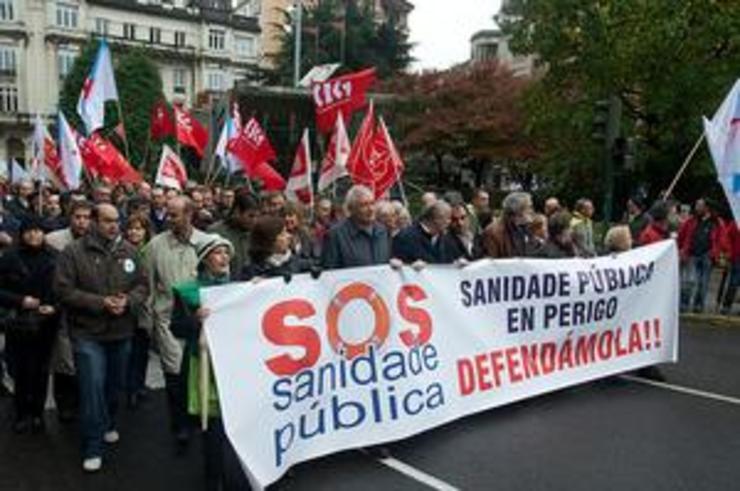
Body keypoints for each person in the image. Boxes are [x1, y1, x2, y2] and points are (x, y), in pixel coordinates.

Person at [54, 204, 148, 472]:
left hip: (121, 331)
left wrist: (128, 301)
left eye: (116, 220)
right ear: (93, 222)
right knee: (92, 387)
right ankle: (93, 444)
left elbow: (143, 285)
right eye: (107, 220)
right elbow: (63, 290)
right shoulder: (73, 252)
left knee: (113, 385)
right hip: (87, 333)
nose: (113, 225)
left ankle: (108, 421)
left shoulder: (129, 251)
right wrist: (100, 302)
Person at [168, 234, 250, 491]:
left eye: (227, 252)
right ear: (205, 259)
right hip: (205, 367)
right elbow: (176, 328)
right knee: (212, 427)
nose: (224, 258)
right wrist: (195, 320)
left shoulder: (239, 288)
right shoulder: (188, 291)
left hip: (237, 366)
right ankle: (213, 477)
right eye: (217, 252)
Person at [143, 196, 210, 453]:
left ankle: (200, 419)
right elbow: (147, 283)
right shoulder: (155, 246)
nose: (168, 219)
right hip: (168, 319)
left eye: (174, 215)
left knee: (198, 370)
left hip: (201, 321)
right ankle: (180, 425)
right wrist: (147, 323)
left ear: (189, 214)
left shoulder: (207, 242)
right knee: (174, 374)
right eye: (167, 214)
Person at [0, 215, 58, 433]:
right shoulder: (10, 257)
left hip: (46, 323)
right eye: (29, 231)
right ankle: (21, 413)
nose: (34, 235)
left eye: (38, 230)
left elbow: (63, 289)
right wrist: (20, 301)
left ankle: (37, 413)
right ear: (22, 233)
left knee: (41, 370)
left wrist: (54, 307)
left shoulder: (54, 257)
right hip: (19, 323)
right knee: (21, 370)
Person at [46, 200, 94, 422]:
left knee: (86, 356)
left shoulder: (96, 241)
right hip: (61, 306)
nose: (82, 222)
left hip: (88, 307)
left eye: (86, 217)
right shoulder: (54, 240)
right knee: (64, 359)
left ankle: (85, 401)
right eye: (78, 217)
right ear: (70, 217)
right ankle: (64, 404)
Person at [123, 213, 153, 409]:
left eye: (139, 228)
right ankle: (129, 388)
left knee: (142, 350)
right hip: (126, 308)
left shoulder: (151, 251)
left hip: (146, 308)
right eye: (131, 228)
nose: (134, 232)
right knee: (127, 351)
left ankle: (139, 384)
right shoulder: (121, 250)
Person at [321, 185, 391, 270]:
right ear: (351, 209)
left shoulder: (383, 231)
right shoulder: (336, 234)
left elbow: (388, 261)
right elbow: (329, 272)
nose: (371, 209)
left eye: (372, 203)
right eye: (364, 205)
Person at [678, 198, 725, 313]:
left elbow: (721, 239)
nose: (696, 208)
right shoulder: (691, 220)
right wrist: (681, 249)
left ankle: (698, 306)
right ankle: (683, 305)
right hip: (692, 254)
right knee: (688, 281)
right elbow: (681, 235)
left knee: (703, 283)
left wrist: (715, 252)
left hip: (707, 256)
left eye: (699, 205)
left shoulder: (717, 222)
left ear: (707, 208)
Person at [241, 215, 313, 280]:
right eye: (282, 234)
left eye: (286, 232)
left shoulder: (301, 265)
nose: (289, 236)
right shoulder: (251, 272)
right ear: (269, 241)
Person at [208, 191, 259, 274]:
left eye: (257, 216)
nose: (254, 221)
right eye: (251, 216)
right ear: (237, 211)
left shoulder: (255, 233)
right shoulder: (216, 233)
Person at [393, 200, 453, 265]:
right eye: (447, 218)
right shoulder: (405, 237)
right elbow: (398, 264)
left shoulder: (446, 239)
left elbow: (449, 262)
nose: (449, 222)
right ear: (436, 218)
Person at [482, 192, 535, 258]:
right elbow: (492, 262)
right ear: (518, 211)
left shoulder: (524, 227)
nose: (531, 211)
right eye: (529, 207)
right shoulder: (493, 232)